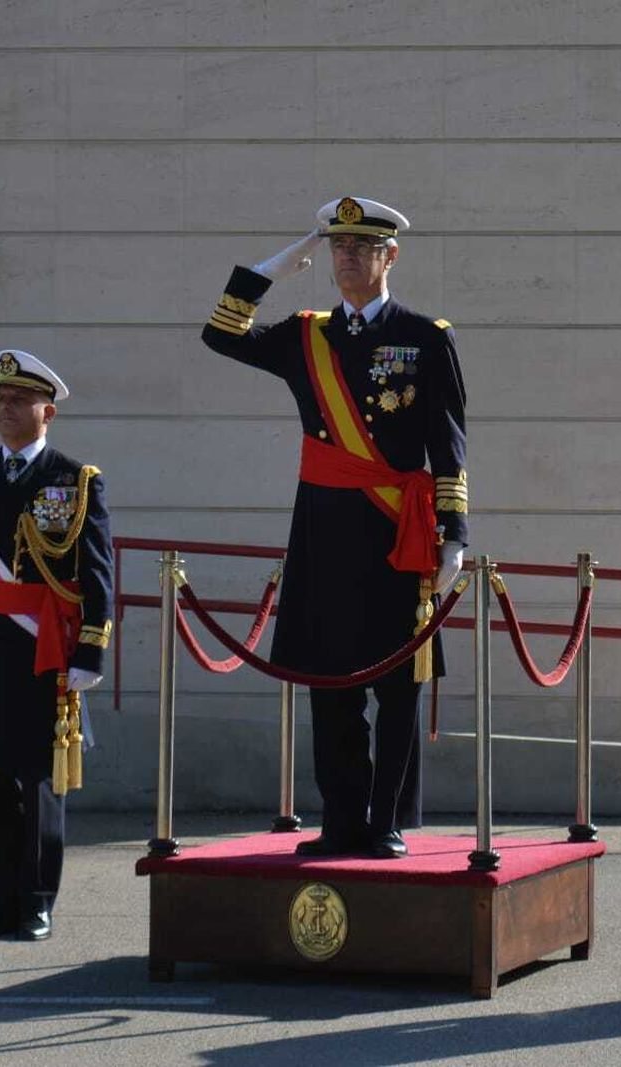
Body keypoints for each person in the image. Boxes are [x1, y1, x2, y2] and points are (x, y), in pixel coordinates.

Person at [200, 196, 469, 859]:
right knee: (330, 683)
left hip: (396, 533)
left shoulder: (426, 335)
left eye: (362, 246)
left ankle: (388, 822)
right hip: (324, 533)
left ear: (390, 256)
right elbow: (221, 334)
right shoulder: (305, 334)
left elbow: (449, 442)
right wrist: (266, 271)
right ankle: (342, 820)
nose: (347, 257)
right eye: (338, 247)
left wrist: (455, 535)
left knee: (398, 684)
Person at [0, 349, 112, 940]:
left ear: (48, 413)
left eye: (19, 400)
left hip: (43, 648)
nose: (6, 409)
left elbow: (97, 575)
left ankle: (36, 899)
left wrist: (89, 652)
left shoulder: (73, 479)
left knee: (38, 781)